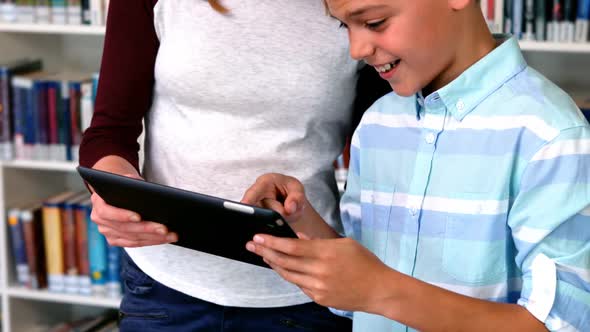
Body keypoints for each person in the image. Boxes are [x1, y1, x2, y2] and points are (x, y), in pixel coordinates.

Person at [241, 0, 590, 331]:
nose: (356, 50)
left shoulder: (551, 134)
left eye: (374, 22)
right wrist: (303, 223)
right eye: (344, 26)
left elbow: (560, 324)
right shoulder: (378, 124)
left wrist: (380, 289)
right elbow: (359, 289)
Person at [79, 0, 391, 331]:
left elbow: (379, 149)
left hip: (303, 291)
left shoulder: (355, 5)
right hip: (165, 289)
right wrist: (116, 190)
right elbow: (108, 132)